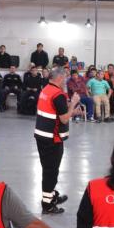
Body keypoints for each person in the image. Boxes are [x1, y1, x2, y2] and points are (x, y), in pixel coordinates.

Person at [35, 68, 82, 214]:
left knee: (48, 169)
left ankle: (51, 196)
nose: (66, 81)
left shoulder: (46, 90)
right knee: (51, 171)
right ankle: (47, 204)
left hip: (42, 136)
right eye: (65, 78)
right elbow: (63, 118)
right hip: (52, 139)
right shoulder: (58, 94)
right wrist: (73, 103)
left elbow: (58, 113)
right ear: (60, 78)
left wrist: (71, 112)